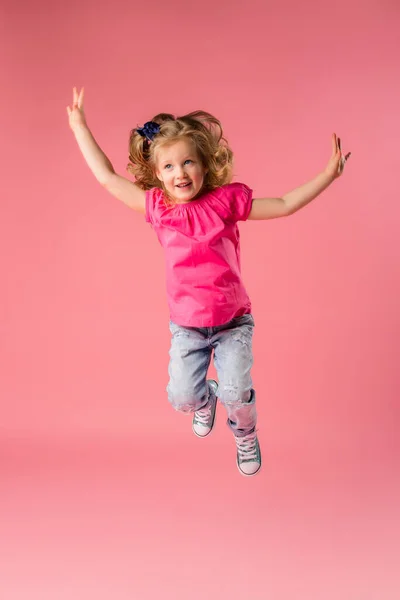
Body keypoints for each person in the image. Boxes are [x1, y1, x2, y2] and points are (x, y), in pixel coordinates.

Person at [67, 87, 351, 477]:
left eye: (187, 162)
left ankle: (245, 433)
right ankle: (204, 402)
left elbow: (284, 204)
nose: (179, 173)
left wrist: (327, 175)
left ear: (205, 164)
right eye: (168, 167)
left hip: (233, 322)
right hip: (187, 327)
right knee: (181, 398)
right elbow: (105, 177)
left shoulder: (225, 203)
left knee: (237, 392)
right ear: (156, 174)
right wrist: (80, 125)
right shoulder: (157, 208)